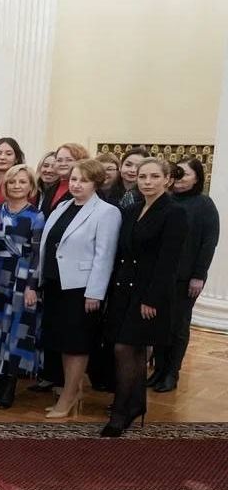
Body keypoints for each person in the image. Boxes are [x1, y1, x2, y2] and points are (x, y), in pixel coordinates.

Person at [102, 158, 187, 437]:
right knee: (130, 349)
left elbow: (168, 262)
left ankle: (121, 410)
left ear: (167, 180)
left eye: (153, 176)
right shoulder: (133, 209)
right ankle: (135, 404)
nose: (147, 182)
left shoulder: (174, 212)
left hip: (149, 293)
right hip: (123, 290)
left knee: (125, 348)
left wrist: (152, 299)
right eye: (142, 177)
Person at [34, 159, 120, 418]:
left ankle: (69, 396)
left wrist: (95, 292)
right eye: (73, 179)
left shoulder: (106, 212)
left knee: (77, 344)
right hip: (55, 283)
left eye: (83, 180)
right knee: (61, 341)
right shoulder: (62, 206)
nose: (76, 184)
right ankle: (71, 389)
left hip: (80, 289)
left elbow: (105, 255)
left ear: (96, 183)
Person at [0, 165, 45, 409]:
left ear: (31, 186)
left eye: (22, 182)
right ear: (5, 185)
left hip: (22, 277)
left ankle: (10, 385)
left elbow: (38, 254)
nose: (17, 186)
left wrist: (32, 287)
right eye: (12, 182)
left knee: (16, 331)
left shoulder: (36, 216)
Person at [152, 158, 219, 392]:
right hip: (162, 275)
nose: (179, 178)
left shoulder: (204, 205)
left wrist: (198, 275)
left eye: (185, 174)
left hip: (186, 277)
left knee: (178, 326)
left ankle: (172, 372)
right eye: (176, 173)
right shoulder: (165, 201)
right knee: (159, 323)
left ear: (197, 177)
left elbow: (208, 243)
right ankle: (158, 369)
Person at [40, 142, 89, 217]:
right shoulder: (51, 189)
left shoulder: (86, 189)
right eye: (59, 160)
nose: (63, 164)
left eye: (69, 160)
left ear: (81, 161)